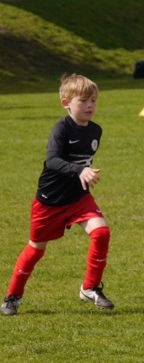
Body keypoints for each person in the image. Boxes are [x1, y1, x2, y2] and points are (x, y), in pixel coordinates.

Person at [1, 74, 114, 316]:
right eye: (83, 100)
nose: (90, 105)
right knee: (35, 249)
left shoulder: (96, 130)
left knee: (101, 233)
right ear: (66, 103)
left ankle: (90, 287)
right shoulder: (62, 128)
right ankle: (13, 296)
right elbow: (52, 160)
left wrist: (83, 174)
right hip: (49, 200)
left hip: (78, 198)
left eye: (93, 100)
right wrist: (80, 170)